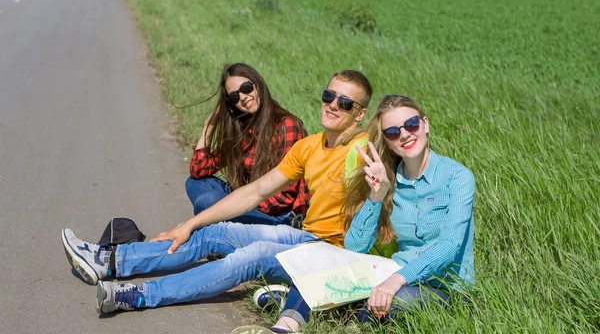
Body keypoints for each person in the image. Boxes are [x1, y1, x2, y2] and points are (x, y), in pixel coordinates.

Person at [61, 70, 373, 316]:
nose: (333, 104)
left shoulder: (363, 152)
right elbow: (256, 191)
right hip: (307, 238)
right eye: (329, 95)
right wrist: (188, 225)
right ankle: (109, 260)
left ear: (360, 115)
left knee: (252, 257)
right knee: (212, 233)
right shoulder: (311, 146)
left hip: (334, 254)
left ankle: (138, 295)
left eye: (345, 103)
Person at [235, 95, 475, 333]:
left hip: (443, 287)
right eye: (392, 132)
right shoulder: (388, 178)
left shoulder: (457, 177)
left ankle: (318, 304)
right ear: (388, 141)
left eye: (411, 124)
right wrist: (376, 196)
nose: (404, 134)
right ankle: (285, 326)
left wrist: (396, 280)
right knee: (325, 257)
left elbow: (448, 244)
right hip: (393, 273)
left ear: (425, 123)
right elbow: (355, 246)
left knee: (394, 301)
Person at [185, 62, 310, 227]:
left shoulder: (286, 125)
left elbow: (284, 195)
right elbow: (198, 171)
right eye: (234, 97)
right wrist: (209, 127)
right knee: (194, 183)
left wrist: (238, 203)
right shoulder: (244, 129)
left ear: (257, 84)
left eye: (246, 88)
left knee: (209, 202)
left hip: (281, 217)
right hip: (250, 202)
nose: (243, 97)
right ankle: (222, 229)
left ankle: (216, 229)